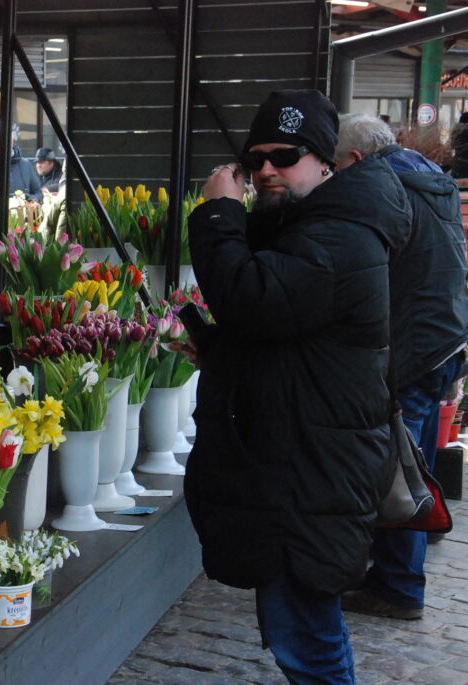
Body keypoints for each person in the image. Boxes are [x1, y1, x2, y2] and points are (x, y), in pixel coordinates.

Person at [184, 90, 411, 684]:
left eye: (285, 156)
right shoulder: (308, 224)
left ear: (326, 161)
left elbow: (253, 299)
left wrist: (218, 214)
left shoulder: (339, 234)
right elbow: (286, 332)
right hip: (299, 459)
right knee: (300, 625)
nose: (266, 170)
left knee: (305, 635)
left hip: (311, 467)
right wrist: (222, 349)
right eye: (254, 158)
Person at [334, 113, 468, 620]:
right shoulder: (424, 174)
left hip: (414, 349)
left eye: (334, 164)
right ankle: (395, 572)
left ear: (355, 159)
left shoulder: (383, 186)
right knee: (415, 466)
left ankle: (398, 587)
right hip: (444, 340)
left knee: (398, 472)